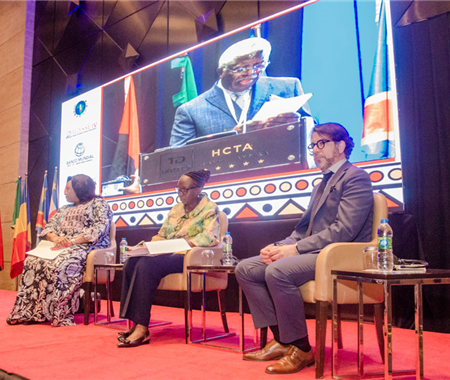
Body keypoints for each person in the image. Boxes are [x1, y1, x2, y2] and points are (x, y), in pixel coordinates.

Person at [235, 123, 374, 375]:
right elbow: (301, 231)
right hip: (315, 253)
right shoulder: (321, 184)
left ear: (341, 146)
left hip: (340, 256)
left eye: (321, 143)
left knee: (277, 271)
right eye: (312, 145)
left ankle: (301, 348)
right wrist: (280, 246)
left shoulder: (356, 177)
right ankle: (283, 340)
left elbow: (344, 230)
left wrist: (295, 250)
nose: (315, 150)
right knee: (246, 268)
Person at [117, 169, 220, 348]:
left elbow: (211, 237)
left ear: (198, 189)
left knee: (146, 266)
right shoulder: (175, 210)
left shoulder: (210, 208)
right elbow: (162, 234)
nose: (181, 194)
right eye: (178, 190)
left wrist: (182, 243)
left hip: (188, 257)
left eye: (185, 190)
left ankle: (142, 327)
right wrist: (148, 246)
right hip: (166, 253)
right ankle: (135, 323)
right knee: (132, 262)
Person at [7, 174, 113, 327]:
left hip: (87, 247)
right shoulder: (63, 209)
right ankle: (31, 312)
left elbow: (99, 229)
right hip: (62, 246)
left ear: (80, 189)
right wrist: (56, 238)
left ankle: (60, 313)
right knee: (32, 261)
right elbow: (48, 228)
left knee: (62, 263)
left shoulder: (99, 204)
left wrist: (72, 241)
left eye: (68, 188)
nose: (65, 192)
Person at [169, 37, 311, 147]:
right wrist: (232, 137)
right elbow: (177, 158)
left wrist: (298, 124)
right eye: (241, 68)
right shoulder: (191, 110)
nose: (251, 73)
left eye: (258, 66)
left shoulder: (288, 87)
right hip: (224, 181)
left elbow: (313, 133)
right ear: (221, 72)